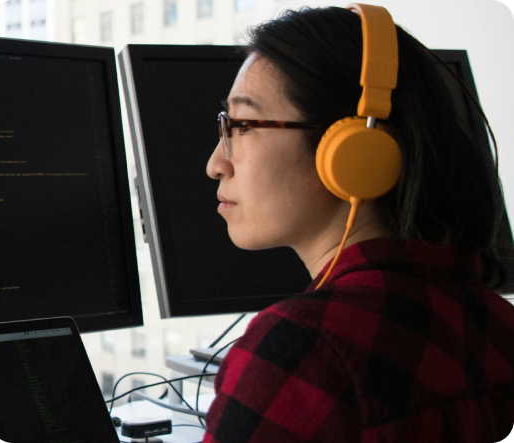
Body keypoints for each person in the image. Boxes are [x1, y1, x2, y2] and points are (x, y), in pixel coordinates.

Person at [204, 3, 514, 442]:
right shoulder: (498, 326)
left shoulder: (302, 351)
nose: (216, 164)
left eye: (242, 124)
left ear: (352, 151)